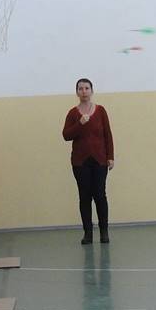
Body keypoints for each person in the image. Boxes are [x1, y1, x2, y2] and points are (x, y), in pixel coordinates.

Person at [62, 78, 114, 244]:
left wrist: (110, 156)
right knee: (84, 197)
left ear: (92, 91)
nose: (84, 91)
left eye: (86, 88)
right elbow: (66, 135)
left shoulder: (101, 111)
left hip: (100, 160)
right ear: (77, 92)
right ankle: (88, 233)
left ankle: (104, 231)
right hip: (80, 162)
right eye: (80, 88)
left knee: (100, 195)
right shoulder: (73, 113)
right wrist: (80, 123)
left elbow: (107, 134)